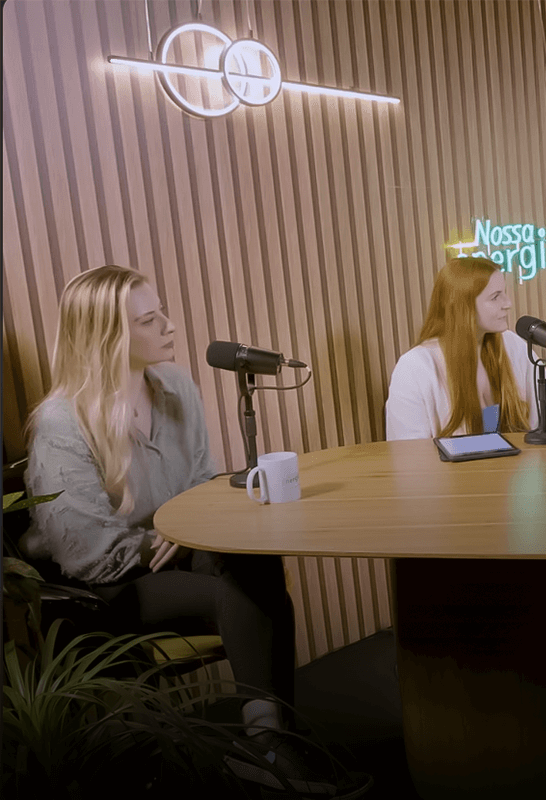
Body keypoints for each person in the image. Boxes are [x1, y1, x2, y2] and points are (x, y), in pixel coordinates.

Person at [20, 266, 329, 792]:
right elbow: (88, 550)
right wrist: (164, 540)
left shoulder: (176, 385)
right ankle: (269, 745)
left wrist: (188, 530)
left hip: (175, 547)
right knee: (228, 593)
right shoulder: (60, 423)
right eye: (149, 318)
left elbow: (201, 484)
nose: (169, 325)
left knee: (257, 561)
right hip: (103, 581)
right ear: (109, 337)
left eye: (162, 311)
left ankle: (271, 739)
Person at [386, 256, 546, 441]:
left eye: (504, 293)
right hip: (450, 471)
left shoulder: (513, 345)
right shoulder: (414, 367)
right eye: (495, 297)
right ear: (463, 306)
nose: (508, 303)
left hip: (519, 467)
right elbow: (408, 453)